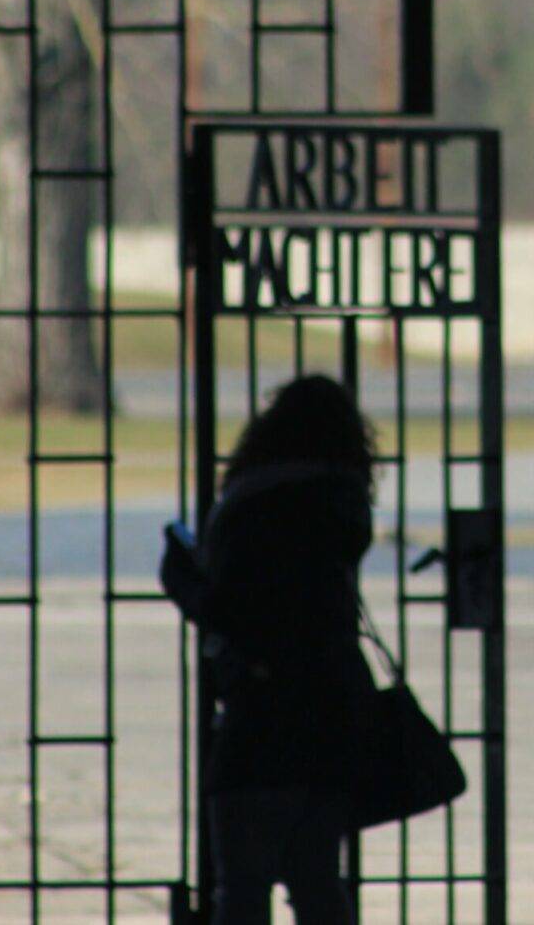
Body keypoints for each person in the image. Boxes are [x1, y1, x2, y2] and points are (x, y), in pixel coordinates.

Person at [159, 375, 376, 925]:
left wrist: (181, 581)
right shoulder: (343, 501)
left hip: (261, 707)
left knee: (242, 887)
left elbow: (233, 609)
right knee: (318, 880)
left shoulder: (253, 507)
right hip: (332, 703)